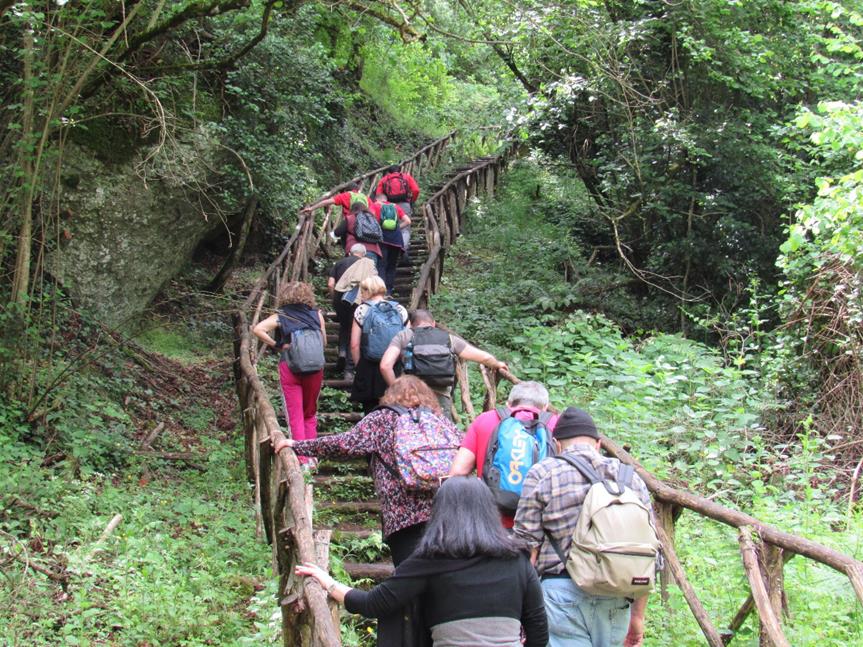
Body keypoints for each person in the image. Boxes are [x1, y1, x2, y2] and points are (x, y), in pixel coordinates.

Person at [276, 377, 460, 646]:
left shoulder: (384, 419)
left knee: (408, 586)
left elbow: (344, 444)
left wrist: (298, 445)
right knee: (438, 584)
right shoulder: (440, 421)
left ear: (390, 396)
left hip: (403, 518)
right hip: (446, 515)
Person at [295, 476, 549, 647]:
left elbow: (375, 603)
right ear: (489, 512)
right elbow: (538, 631)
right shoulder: (517, 560)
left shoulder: (430, 559)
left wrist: (328, 583)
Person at [513, 407, 652, 647]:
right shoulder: (630, 478)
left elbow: (527, 548)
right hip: (617, 597)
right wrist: (638, 617)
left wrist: (519, 612)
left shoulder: (543, 472)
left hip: (561, 593)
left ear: (556, 444)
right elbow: (650, 553)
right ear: (598, 443)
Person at [449, 381, 558, 527]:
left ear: (509, 404)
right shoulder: (556, 424)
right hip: (538, 527)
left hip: (490, 524)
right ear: (545, 407)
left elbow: (457, 472)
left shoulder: (485, 420)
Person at [380, 309, 509, 420]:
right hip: (441, 394)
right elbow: (483, 357)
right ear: (433, 323)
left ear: (410, 324)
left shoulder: (404, 336)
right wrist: (497, 363)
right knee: (440, 431)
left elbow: (385, 366)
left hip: (410, 393)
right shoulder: (448, 338)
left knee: (411, 431)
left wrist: (398, 389)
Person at [251, 282, 326, 467]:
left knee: (295, 414)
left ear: (285, 296)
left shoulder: (281, 316)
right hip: (315, 368)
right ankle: (313, 455)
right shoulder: (317, 314)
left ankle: (301, 459)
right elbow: (323, 341)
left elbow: (257, 329)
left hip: (290, 366)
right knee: (310, 412)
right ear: (308, 296)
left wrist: (277, 345)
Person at [350, 276, 408, 413]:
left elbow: (354, 344)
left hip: (369, 366)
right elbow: (407, 340)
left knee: (371, 411)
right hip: (394, 366)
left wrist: (360, 367)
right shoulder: (400, 309)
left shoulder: (362, 310)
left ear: (367, 290)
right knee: (395, 410)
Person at [328, 243, 374, 380]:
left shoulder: (339, 263)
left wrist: (335, 298)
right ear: (363, 254)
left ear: (349, 252)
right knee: (354, 331)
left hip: (340, 299)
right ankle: (349, 369)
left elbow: (331, 283)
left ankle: (341, 352)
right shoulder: (367, 265)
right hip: (357, 301)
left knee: (344, 326)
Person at [376, 164, 420, 261]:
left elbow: (378, 194)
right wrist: (412, 200)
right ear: (400, 170)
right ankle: (403, 248)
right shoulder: (406, 177)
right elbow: (416, 190)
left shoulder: (384, 179)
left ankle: (390, 248)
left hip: (388, 206)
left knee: (389, 226)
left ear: (389, 172)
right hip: (404, 204)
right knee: (405, 229)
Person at [374, 193, 411, 294]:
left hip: (382, 240)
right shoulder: (395, 206)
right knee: (391, 266)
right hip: (396, 240)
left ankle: (381, 291)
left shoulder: (375, 206)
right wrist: (397, 228)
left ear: (377, 199)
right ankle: (389, 290)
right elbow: (408, 221)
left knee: (381, 265)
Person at [334, 201, 384, 273]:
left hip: (355, 251)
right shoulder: (372, 218)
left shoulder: (350, 218)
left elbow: (337, 232)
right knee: (370, 276)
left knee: (355, 276)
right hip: (372, 251)